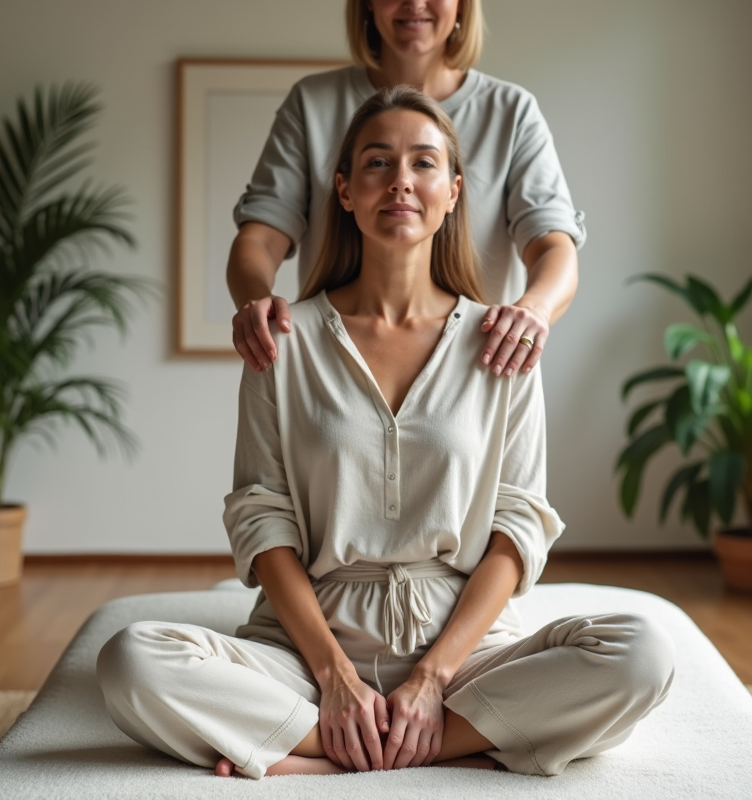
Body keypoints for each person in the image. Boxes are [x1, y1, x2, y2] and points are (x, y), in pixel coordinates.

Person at [97, 87, 674, 780]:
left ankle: (324, 750)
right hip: (308, 647)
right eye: (377, 162)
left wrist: (432, 678)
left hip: (466, 647)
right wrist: (335, 676)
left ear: (454, 192)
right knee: (131, 659)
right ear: (343, 190)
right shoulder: (284, 339)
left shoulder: (503, 342)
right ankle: (428, 740)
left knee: (642, 654)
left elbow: (518, 527)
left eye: (424, 163)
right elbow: (261, 518)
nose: (400, 179)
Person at [228, 0, 584, 382]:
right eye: (378, 162)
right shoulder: (310, 104)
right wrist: (257, 304)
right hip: (333, 368)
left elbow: (552, 244)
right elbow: (260, 238)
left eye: (425, 163)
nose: (415, 3)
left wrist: (534, 310)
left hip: (475, 370)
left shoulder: (512, 112)